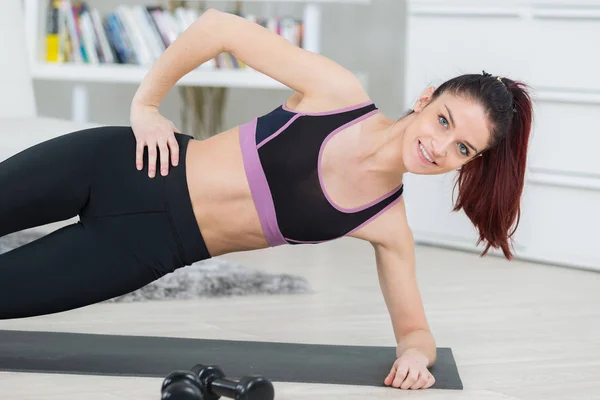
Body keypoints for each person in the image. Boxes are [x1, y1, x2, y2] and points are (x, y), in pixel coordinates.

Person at [0, 8, 533, 391]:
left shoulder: (386, 222)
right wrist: (146, 103)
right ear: (424, 101)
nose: (439, 146)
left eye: (462, 147)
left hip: (138, 251)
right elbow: (218, 28)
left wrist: (417, 358)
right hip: (122, 164)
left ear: (469, 162)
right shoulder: (339, 95)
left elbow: (415, 331)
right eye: (443, 120)